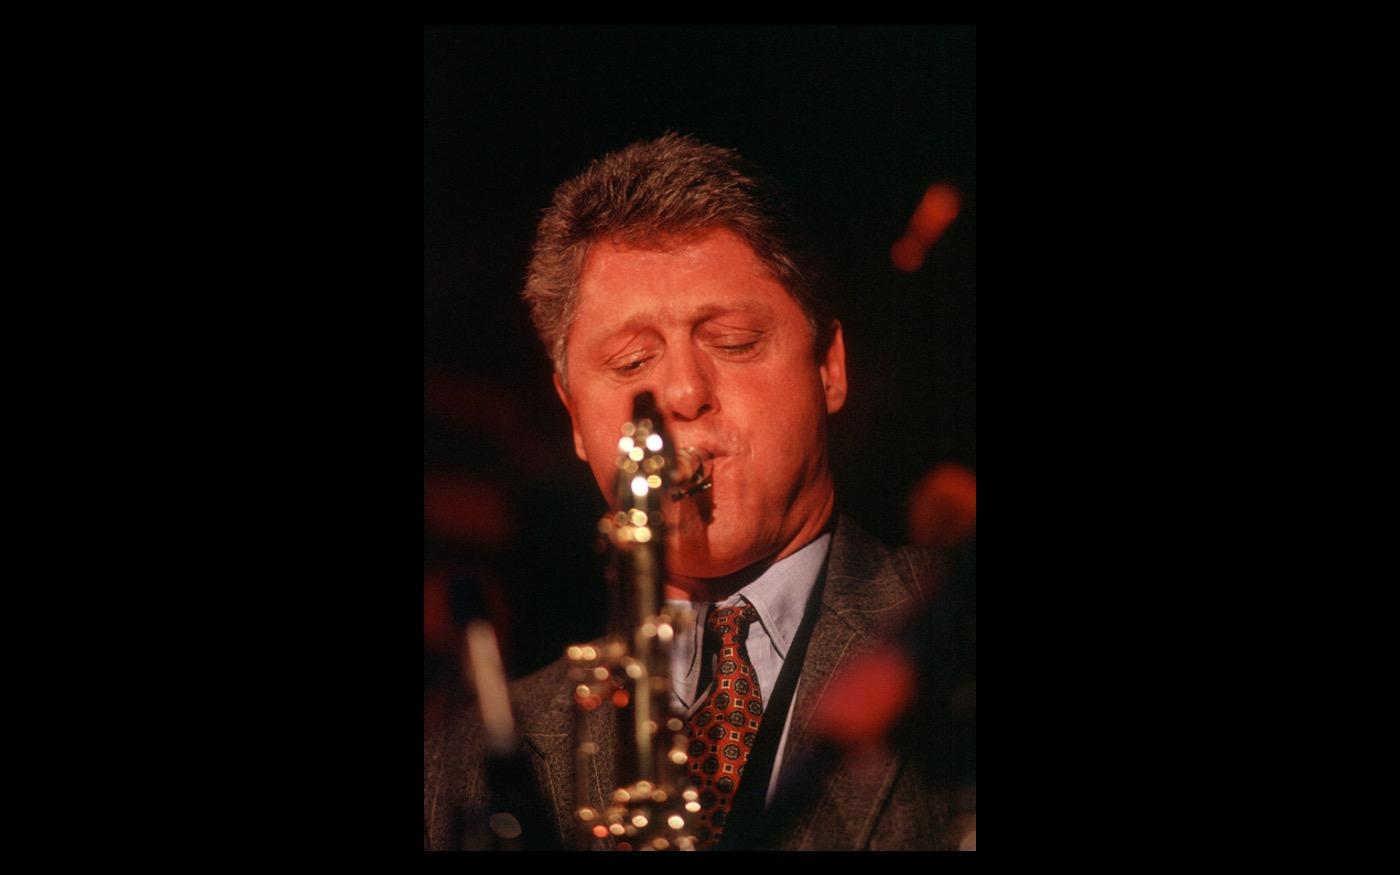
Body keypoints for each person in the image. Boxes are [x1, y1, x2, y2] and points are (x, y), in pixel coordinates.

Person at [424, 132, 963, 851]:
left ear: (830, 367)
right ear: (574, 418)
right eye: (631, 359)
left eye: (735, 341)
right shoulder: (465, 762)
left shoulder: (958, 646)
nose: (682, 393)